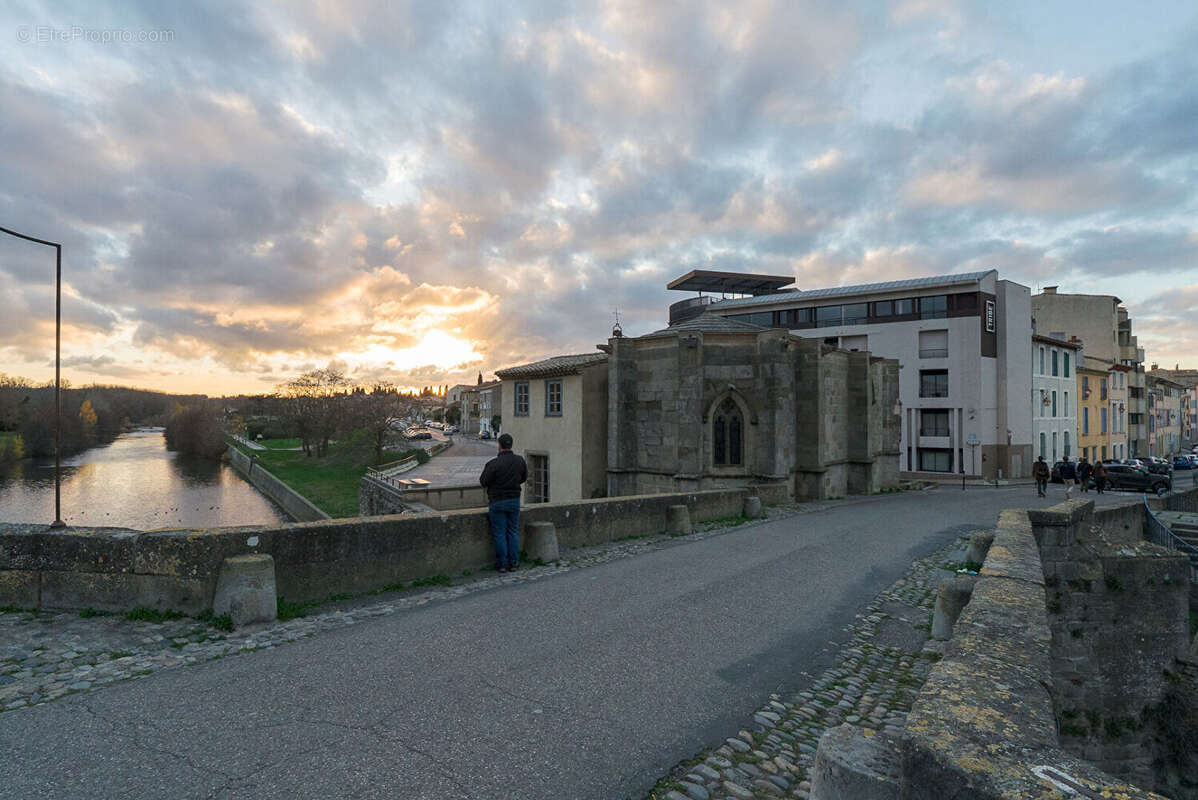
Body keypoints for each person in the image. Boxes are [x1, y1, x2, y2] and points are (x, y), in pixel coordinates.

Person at [479, 433, 527, 573]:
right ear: (511, 445)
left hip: (497, 501)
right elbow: (523, 477)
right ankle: (514, 562)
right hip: (514, 500)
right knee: (512, 532)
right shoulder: (520, 461)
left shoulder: (493, 464)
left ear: (499, 446)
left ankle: (502, 564)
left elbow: (483, 482)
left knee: (499, 533)